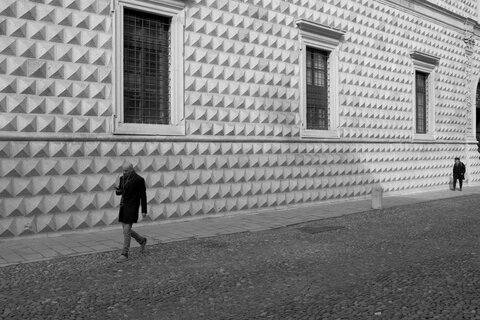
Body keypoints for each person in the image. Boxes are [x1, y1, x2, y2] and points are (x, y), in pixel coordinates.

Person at [115, 162, 148, 262]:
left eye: (126, 171)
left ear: (131, 169)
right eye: (123, 170)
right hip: (123, 207)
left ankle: (124, 254)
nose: (124, 173)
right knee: (126, 230)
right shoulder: (122, 178)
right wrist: (118, 191)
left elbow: (143, 196)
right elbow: (120, 192)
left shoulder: (139, 180)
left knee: (126, 230)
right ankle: (141, 240)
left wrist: (144, 210)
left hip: (133, 208)